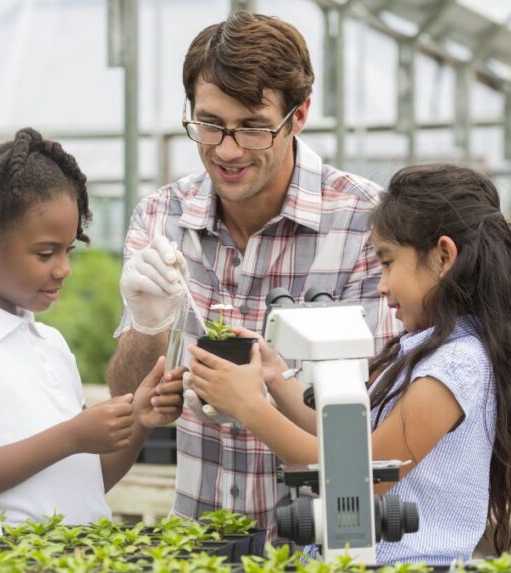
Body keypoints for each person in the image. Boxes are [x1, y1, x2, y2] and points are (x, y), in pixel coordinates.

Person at [107, 11, 398, 536]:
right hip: (200, 538)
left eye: (253, 128)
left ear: (300, 114)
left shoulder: (365, 223)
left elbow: (376, 418)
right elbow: (127, 398)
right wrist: (149, 326)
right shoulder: (160, 218)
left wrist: (258, 395)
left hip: (324, 543)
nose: (228, 150)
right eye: (210, 123)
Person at [189, 164, 511, 563]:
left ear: (444, 256)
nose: (382, 285)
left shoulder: (456, 367)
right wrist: (272, 376)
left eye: (388, 262)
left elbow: (358, 476)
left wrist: (249, 408)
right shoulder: (426, 348)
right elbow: (345, 442)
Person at [0, 128, 184, 524]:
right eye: (46, 253)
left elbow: (86, 480)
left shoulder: (50, 342)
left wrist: (139, 418)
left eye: (67, 250)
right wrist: (71, 436)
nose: (64, 268)